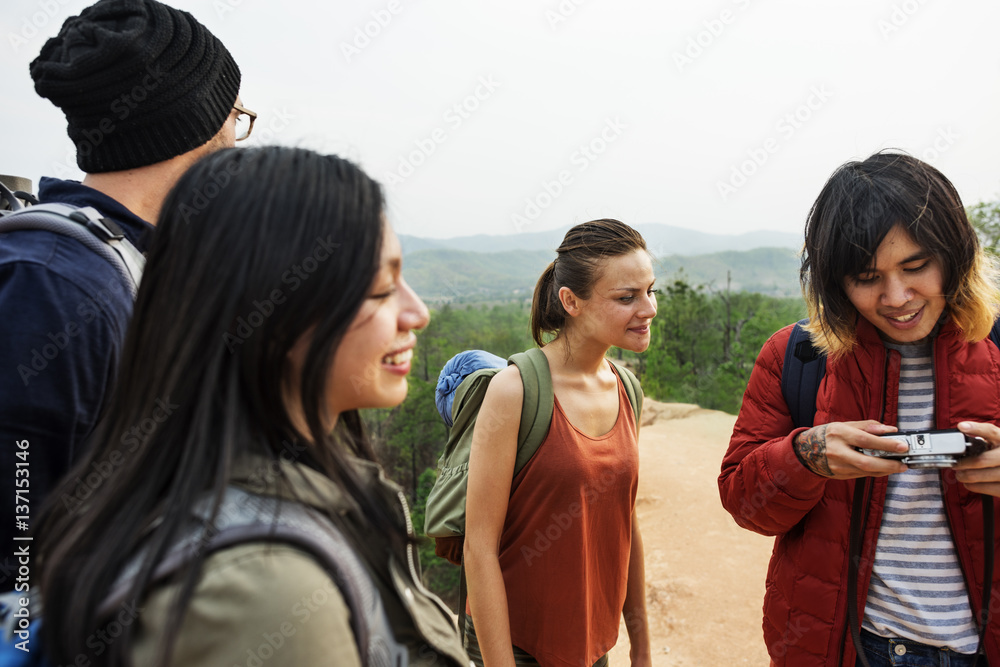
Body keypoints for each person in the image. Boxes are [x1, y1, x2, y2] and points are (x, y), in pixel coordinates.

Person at [32, 146, 469, 666]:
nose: (416, 313)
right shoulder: (266, 592)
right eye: (380, 288)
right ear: (277, 315)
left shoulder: (208, 498)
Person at [718, 151, 1000, 666]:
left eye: (916, 267)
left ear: (955, 253)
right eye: (868, 277)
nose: (897, 296)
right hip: (848, 647)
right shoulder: (796, 357)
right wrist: (804, 456)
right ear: (836, 282)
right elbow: (745, 504)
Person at [0, 0, 249, 560]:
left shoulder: (127, 265)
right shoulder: (54, 286)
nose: (238, 140)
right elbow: (14, 553)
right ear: (197, 124)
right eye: (236, 117)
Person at [463, 219, 655, 667]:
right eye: (627, 297)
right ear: (571, 301)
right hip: (517, 645)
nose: (648, 308)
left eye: (650, 290)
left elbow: (625, 522)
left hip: (593, 642)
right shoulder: (516, 391)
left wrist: (641, 649)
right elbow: (479, 547)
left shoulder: (627, 388)